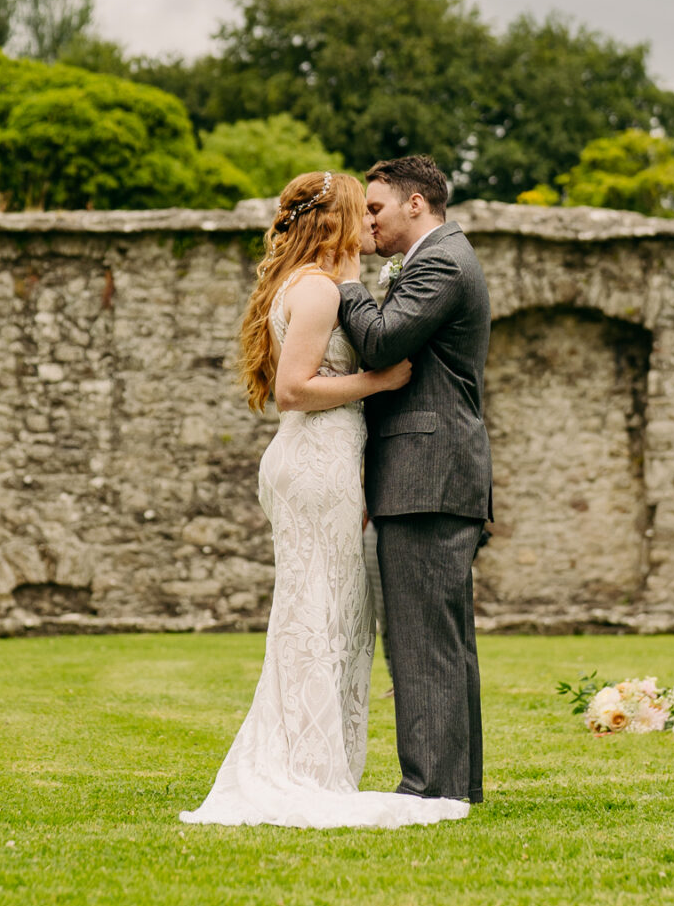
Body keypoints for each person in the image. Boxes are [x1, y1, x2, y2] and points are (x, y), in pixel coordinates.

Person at [181, 169, 471, 829]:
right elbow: (292, 391)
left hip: (331, 460)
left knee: (335, 612)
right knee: (318, 612)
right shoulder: (314, 289)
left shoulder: (321, 285)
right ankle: (301, 770)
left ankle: (319, 763)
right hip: (313, 461)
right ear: (336, 221)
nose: (371, 223)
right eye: (361, 212)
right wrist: (378, 378)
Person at [336, 156, 492, 805]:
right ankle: (453, 784)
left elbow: (381, 344)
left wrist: (346, 283)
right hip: (429, 472)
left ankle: (428, 788)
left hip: (427, 475)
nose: (366, 221)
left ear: (416, 205)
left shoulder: (440, 262)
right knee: (439, 638)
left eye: (375, 208)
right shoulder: (438, 257)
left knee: (422, 639)